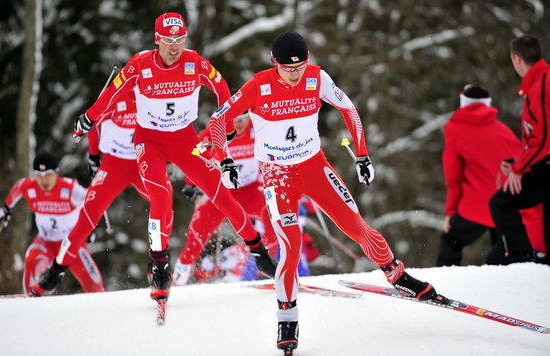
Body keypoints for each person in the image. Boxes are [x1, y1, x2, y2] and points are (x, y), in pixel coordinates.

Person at [208, 31, 438, 353]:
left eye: (301, 65)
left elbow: (350, 110)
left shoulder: (317, 78)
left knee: (356, 227)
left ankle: (396, 274)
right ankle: (287, 317)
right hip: (276, 176)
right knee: (292, 245)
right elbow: (219, 120)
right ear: (275, 63)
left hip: (315, 167)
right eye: (288, 68)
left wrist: (362, 154)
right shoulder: (258, 86)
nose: (295, 73)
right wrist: (226, 161)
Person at [32, 12, 276, 301]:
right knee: (150, 198)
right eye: (169, 40)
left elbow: (223, 90)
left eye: (180, 40)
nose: (175, 47)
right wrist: (89, 125)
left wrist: (227, 118)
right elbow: (109, 97)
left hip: (184, 140)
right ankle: (150, 267)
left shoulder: (195, 63)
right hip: (145, 146)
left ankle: (259, 252)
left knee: (220, 193)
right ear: (157, 40)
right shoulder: (138, 68)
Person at [28, 90, 167, 296]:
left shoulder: (155, 97)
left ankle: (159, 267)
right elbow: (91, 122)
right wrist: (93, 156)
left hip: (143, 162)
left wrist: (166, 155)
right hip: (114, 164)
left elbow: (169, 127)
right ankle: (53, 275)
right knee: (87, 217)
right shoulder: (114, 97)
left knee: (164, 203)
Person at [174, 113, 278, 285]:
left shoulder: (259, 127)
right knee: (199, 227)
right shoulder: (214, 131)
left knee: (272, 214)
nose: (239, 124)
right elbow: (194, 152)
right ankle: (181, 271)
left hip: (250, 191)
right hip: (222, 191)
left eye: (243, 119)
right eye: (235, 119)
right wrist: (190, 184)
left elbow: (273, 151)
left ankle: (270, 269)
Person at [0, 151, 105, 296]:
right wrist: (7, 208)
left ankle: (99, 305)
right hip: (46, 241)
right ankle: (30, 298)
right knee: (31, 259)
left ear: (57, 173)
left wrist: (89, 228)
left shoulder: (70, 189)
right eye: (39, 175)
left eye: (48, 174)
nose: (44, 180)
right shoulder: (31, 187)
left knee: (95, 285)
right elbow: (19, 187)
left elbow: (95, 199)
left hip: (72, 243)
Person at [438, 84, 524, 266]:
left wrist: (450, 213)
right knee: (504, 251)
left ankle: (439, 287)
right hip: (506, 204)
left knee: (451, 241)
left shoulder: (454, 128)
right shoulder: (504, 130)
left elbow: (453, 177)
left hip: (476, 206)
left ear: (463, 102)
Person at [487, 35, 550, 264]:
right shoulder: (538, 83)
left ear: (517, 58)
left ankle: (519, 260)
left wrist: (519, 169)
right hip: (541, 164)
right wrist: (518, 162)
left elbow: (543, 139)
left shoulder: (542, 84)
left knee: (501, 202)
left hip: (545, 167)